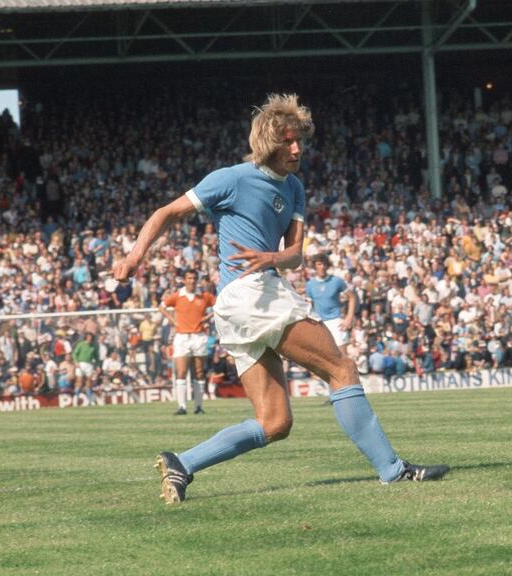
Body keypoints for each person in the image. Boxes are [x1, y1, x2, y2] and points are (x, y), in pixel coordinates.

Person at [113, 94, 448, 504]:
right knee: (341, 368)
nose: (297, 149)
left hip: (244, 302)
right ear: (268, 143)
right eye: (288, 141)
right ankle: (393, 471)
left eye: (299, 140)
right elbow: (166, 212)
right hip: (250, 294)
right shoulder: (231, 178)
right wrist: (134, 255)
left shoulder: (294, 188)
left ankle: (182, 462)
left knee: (275, 422)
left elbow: (296, 254)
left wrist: (273, 256)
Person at [159, 270, 215, 415]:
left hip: (199, 336)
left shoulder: (204, 296)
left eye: (194, 278)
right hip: (182, 337)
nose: (192, 280)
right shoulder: (178, 296)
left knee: (199, 372)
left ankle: (198, 407)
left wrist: (208, 317)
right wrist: (172, 320)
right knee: (181, 372)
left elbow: (219, 306)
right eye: (189, 278)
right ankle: (182, 407)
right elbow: (161, 306)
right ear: (184, 280)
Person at [305, 253, 356, 401]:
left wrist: (349, 318)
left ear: (327, 265)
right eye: (318, 264)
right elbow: (309, 306)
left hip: (336, 321)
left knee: (342, 358)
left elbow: (352, 298)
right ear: (315, 266)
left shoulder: (337, 281)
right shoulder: (310, 285)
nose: (321, 267)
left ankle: (350, 394)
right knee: (326, 360)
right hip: (320, 323)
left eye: (324, 264)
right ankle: (333, 395)